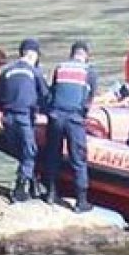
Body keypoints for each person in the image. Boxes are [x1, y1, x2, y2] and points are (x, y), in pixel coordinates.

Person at [41, 41, 98, 212]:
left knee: (52, 155)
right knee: (78, 160)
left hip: (55, 117)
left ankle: (51, 194)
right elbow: (88, 100)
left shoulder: (60, 68)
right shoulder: (89, 71)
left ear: (71, 54)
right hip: (74, 119)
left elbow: (53, 92)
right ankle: (81, 202)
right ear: (86, 55)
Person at [0, 38, 49, 202]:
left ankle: (32, 185)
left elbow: (0, 95)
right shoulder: (35, 72)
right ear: (34, 55)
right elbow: (46, 97)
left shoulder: (6, 71)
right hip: (24, 118)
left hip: (7, 118)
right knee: (29, 153)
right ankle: (20, 189)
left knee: (20, 153)